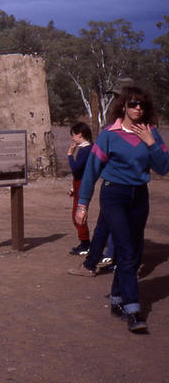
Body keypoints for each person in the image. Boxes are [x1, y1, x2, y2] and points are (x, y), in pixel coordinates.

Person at [72, 86, 169, 333]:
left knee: (134, 251)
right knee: (125, 250)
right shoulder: (109, 134)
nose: (138, 109)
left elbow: (163, 167)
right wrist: (82, 204)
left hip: (139, 196)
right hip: (114, 194)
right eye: (133, 104)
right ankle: (133, 309)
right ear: (123, 106)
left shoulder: (151, 133)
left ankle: (116, 298)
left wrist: (150, 144)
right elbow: (92, 170)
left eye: (142, 105)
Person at [67, 122, 93, 255]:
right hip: (81, 183)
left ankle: (85, 244)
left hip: (82, 183)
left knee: (78, 215)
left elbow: (77, 170)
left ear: (80, 134)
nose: (72, 138)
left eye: (73, 135)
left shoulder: (85, 149)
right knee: (77, 214)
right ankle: (85, 242)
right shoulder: (86, 149)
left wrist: (70, 155)